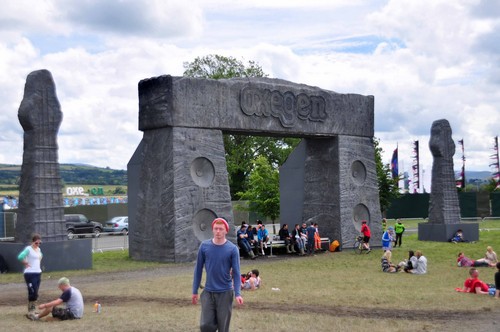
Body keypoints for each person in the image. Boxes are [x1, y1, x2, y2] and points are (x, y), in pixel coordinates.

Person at [192, 217, 243, 332]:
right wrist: (194, 290)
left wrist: (238, 293)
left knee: (223, 327)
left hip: (225, 293)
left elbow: (236, 272)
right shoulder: (204, 246)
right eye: (216, 229)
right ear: (212, 230)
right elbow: (198, 269)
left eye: (221, 229)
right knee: (205, 326)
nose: (218, 231)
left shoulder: (233, 249)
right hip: (208, 292)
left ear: (226, 230)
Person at [18, 233, 43, 315]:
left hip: (38, 273)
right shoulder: (28, 249)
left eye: (39, 243)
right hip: (30, 273)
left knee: (35, 291)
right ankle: (31, 309)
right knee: (33, 291)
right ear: (32, 242)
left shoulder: (38, 249)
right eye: (36, 243)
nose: (38, 244)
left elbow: (41, 256)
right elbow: (20, 257)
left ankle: (32, 309)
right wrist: (25, 263)